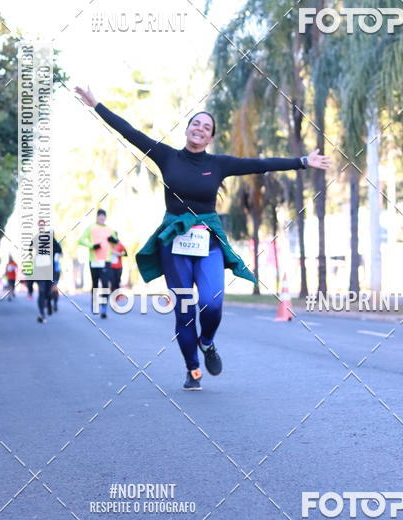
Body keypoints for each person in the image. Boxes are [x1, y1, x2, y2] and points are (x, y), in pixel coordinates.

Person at [75, 86, 331, 390]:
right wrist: (97, 105)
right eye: (196, 123)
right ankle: (193, 369)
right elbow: (129, 132)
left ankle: (207, 342)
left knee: (211, 302)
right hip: (174, 243)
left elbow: (260, 164)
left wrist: (303, 161)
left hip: (207, 242)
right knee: (184, 310)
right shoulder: (166, 156)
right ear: (187, 130)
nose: (200, 128)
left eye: (206, 127)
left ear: (210, 138)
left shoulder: (218, 164)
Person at [78, 209, 118, 318]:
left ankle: (104, 309)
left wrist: (113, 240)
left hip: (106, 261)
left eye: (103, 217)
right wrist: (92, 246)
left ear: (105, 218)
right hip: (94, 260)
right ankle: (95, 304)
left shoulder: (110, 229)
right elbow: (80, 240)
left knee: (105, 284)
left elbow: (116, 243)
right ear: (97, 217)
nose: (101, 218)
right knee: (95, 284)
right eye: (100, 216)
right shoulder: (91, 227)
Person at [36, 236, 63, 323]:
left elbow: (59, 254)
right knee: (41, 292)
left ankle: (50, 303)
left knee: (50, 292)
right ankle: (42, 314)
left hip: (52, 273)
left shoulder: (55, 248)